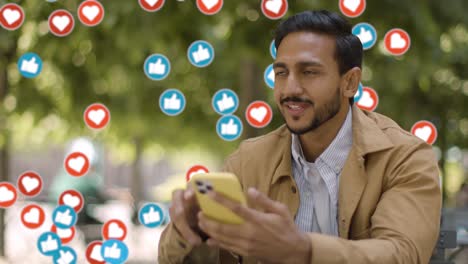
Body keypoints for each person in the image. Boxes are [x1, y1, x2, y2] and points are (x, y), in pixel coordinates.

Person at [158, 10, 442, 263]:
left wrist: (302, 250)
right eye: (281, 73)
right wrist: (191, 232)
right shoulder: (249, 160)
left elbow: (402, 254)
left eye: (309, 72)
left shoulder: (405, 156)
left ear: (350, 82)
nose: (290, 88)